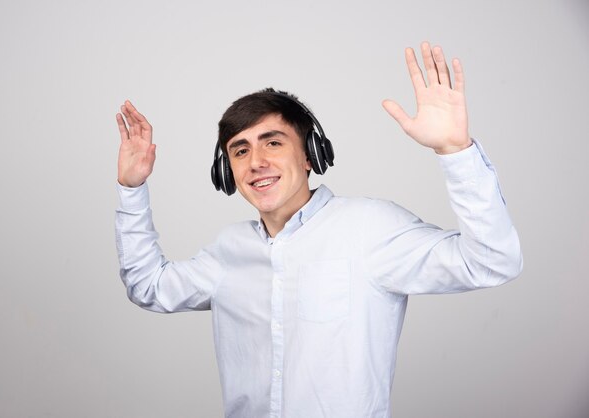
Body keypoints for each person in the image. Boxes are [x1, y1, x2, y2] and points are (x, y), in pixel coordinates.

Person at [114, 42, 522, 418]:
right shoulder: (227, 250)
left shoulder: (370, 227)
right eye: (240, 150)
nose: (255, 161)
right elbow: (148, 287)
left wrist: (455, 151)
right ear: (228, 170)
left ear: (309, 155)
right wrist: (131, 188)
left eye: (272, 143)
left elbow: (492, 262)